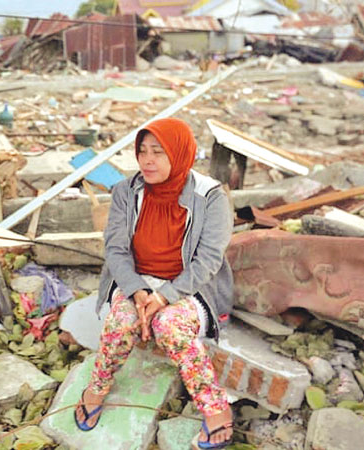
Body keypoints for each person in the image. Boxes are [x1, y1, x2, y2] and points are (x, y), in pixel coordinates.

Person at [73, 118, 235, 449]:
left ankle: (215, 407)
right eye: (143, 151)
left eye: (158, 152)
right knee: (121, 322)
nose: (147, 161)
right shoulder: (126, 191)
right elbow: (115, 250)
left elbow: (208, 260)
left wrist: (164, 297)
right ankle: (97, 388)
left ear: (179, 154)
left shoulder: (210, 197)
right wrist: (137, 291)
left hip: (189, 286)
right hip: (137, 280)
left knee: (170, 326)